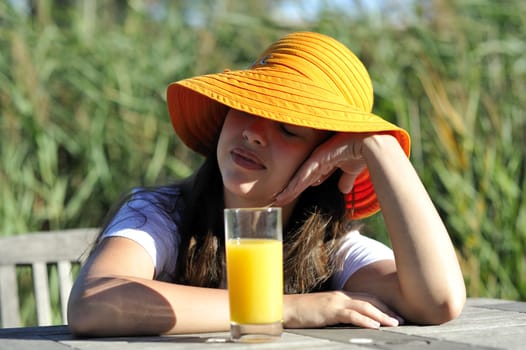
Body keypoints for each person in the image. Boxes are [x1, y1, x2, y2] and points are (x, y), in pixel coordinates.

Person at [67, 31, 465, 337]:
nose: (255, 133)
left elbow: (438, 301)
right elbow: (93, 303)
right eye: (246, 108)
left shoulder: (331, 248)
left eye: (289, 129)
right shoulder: (161, 215)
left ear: (323, 162)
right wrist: (287, 308)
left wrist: (379, 146)